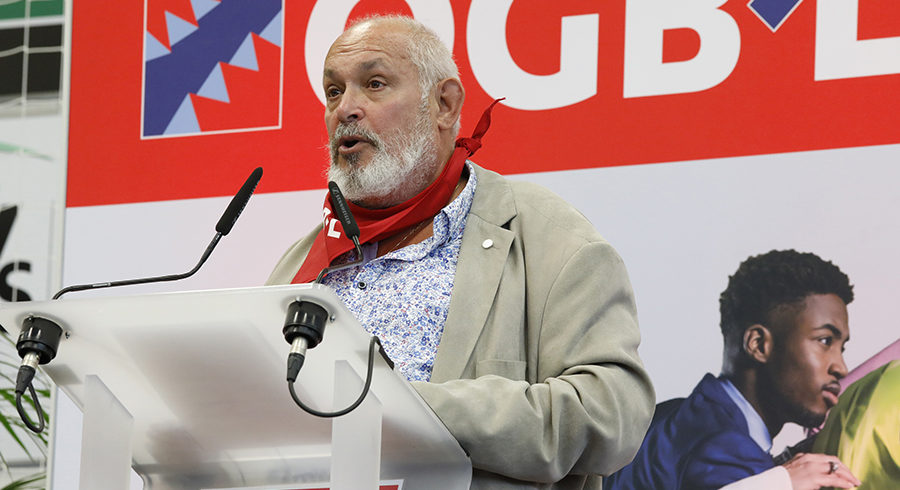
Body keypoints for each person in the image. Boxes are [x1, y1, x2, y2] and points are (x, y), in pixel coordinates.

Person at [266, 15, 655, 489]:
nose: (345, 108)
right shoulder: (303, 263)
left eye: (374, 84)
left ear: (444, 104)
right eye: (333, 91)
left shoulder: (548, 238)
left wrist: (402, 408)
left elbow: (612, 415)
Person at [604, 250, 860, 490]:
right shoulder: (728, 453)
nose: (841, 367)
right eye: (825, 341)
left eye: (842, 347)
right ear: (758, 345)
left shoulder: (672, 415)